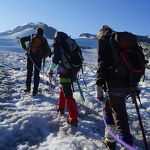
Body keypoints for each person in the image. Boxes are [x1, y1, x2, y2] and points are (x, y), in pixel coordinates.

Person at [96, 25, 133, 150]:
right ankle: (110, 140)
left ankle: (126, 146)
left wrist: (98, 87)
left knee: (119, 115)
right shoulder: (119, 42)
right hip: (129, 81)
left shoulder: (104, 40)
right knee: (109, 108)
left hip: (115, 83)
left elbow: (102, 64)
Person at [48, 31, 82, 127]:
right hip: (73, 70)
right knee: (63, 88)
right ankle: (61, 107)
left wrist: (50, 70)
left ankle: (73, 118)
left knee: (68, 94)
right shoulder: (70, 42)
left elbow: (55, 59)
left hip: (64, 71)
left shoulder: (58, 44)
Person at [20, 27, 51, 96]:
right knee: (36, 74)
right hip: (38, 59)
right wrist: (43, 56)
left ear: (36, 31)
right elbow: (48, 51)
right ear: (42, 32)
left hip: (30, 56)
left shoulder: (32, 36)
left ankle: (28, 88)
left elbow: (21, 39)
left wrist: (25, 48)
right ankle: (35, 91)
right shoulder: (44, 39)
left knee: (29, 72)